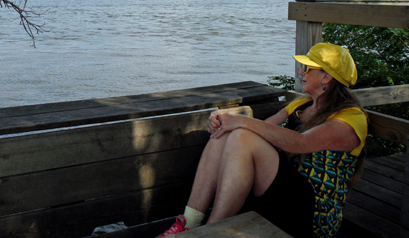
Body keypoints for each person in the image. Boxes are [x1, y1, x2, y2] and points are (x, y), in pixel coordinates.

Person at [158, 42, 368, 238]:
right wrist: (221, 119)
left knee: (241, 134)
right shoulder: (301, 105)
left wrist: (239, 121)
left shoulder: (351, 118)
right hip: (281, 193)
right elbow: (264, 128)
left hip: (312, 211)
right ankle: (190, 223)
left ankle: (213, 232)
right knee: (227, 133)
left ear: (326, 77)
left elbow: (302, 143)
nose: (301, 72)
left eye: (307, 68)